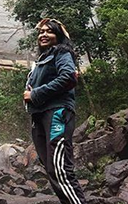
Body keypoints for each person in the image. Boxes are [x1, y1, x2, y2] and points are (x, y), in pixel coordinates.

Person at [23, 18, 86, 204]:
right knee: (52, 169)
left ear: (58, 36)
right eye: (41, 32)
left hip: (56, 113)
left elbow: (68, 77)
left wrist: (35, 95)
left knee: (60, 169)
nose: (43, 34)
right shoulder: (43, 59)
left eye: (48, 31)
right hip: (41, 116)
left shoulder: (61, 52)